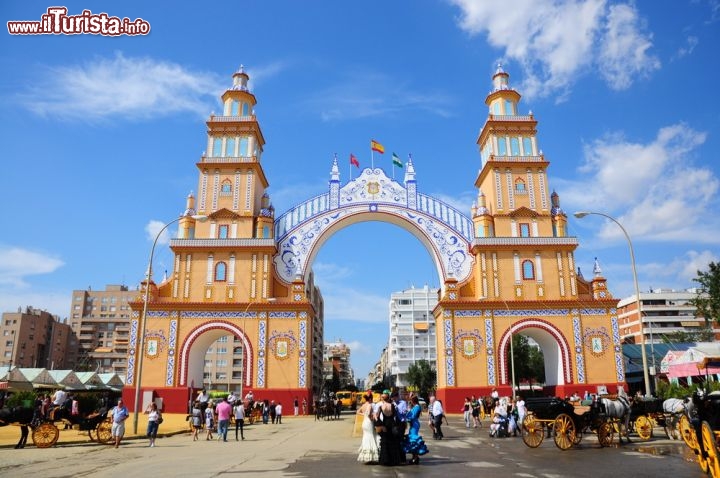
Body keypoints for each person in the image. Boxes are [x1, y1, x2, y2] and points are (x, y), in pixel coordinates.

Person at [376, 390, 403, 466]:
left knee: (385, 442)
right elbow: (395, 416)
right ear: (388, 398)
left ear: (383, 399)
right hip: (391, 424)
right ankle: (394, 460)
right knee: (393, 442)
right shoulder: (392, 406)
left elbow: (377, 417)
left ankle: (385, 460)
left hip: (385, 425)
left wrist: (380, 424)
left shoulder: (381, 407)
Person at [403, 395, 429, 465]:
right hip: (413, 424)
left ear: (413, 401)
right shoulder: (415, 407)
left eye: (411, 400)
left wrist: (406, 416)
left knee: (414, 440)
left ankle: (415, 458)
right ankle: (414, 457)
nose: (410, 402)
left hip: (415, 424)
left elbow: (412, 416)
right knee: (412, 440)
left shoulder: (417, 407)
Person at [356, 392, 379, 464]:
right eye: (372, 399)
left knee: (366, 437)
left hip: (364, 423)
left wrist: (363, 414)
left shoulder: (363, 405)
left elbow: (357, 412)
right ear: (370, 399)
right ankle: (371, 456)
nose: (372, 400)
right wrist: (371, 417)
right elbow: (369, 413)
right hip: (369, 422)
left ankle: (366, 456)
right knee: (371, 437)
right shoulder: (369, 405)